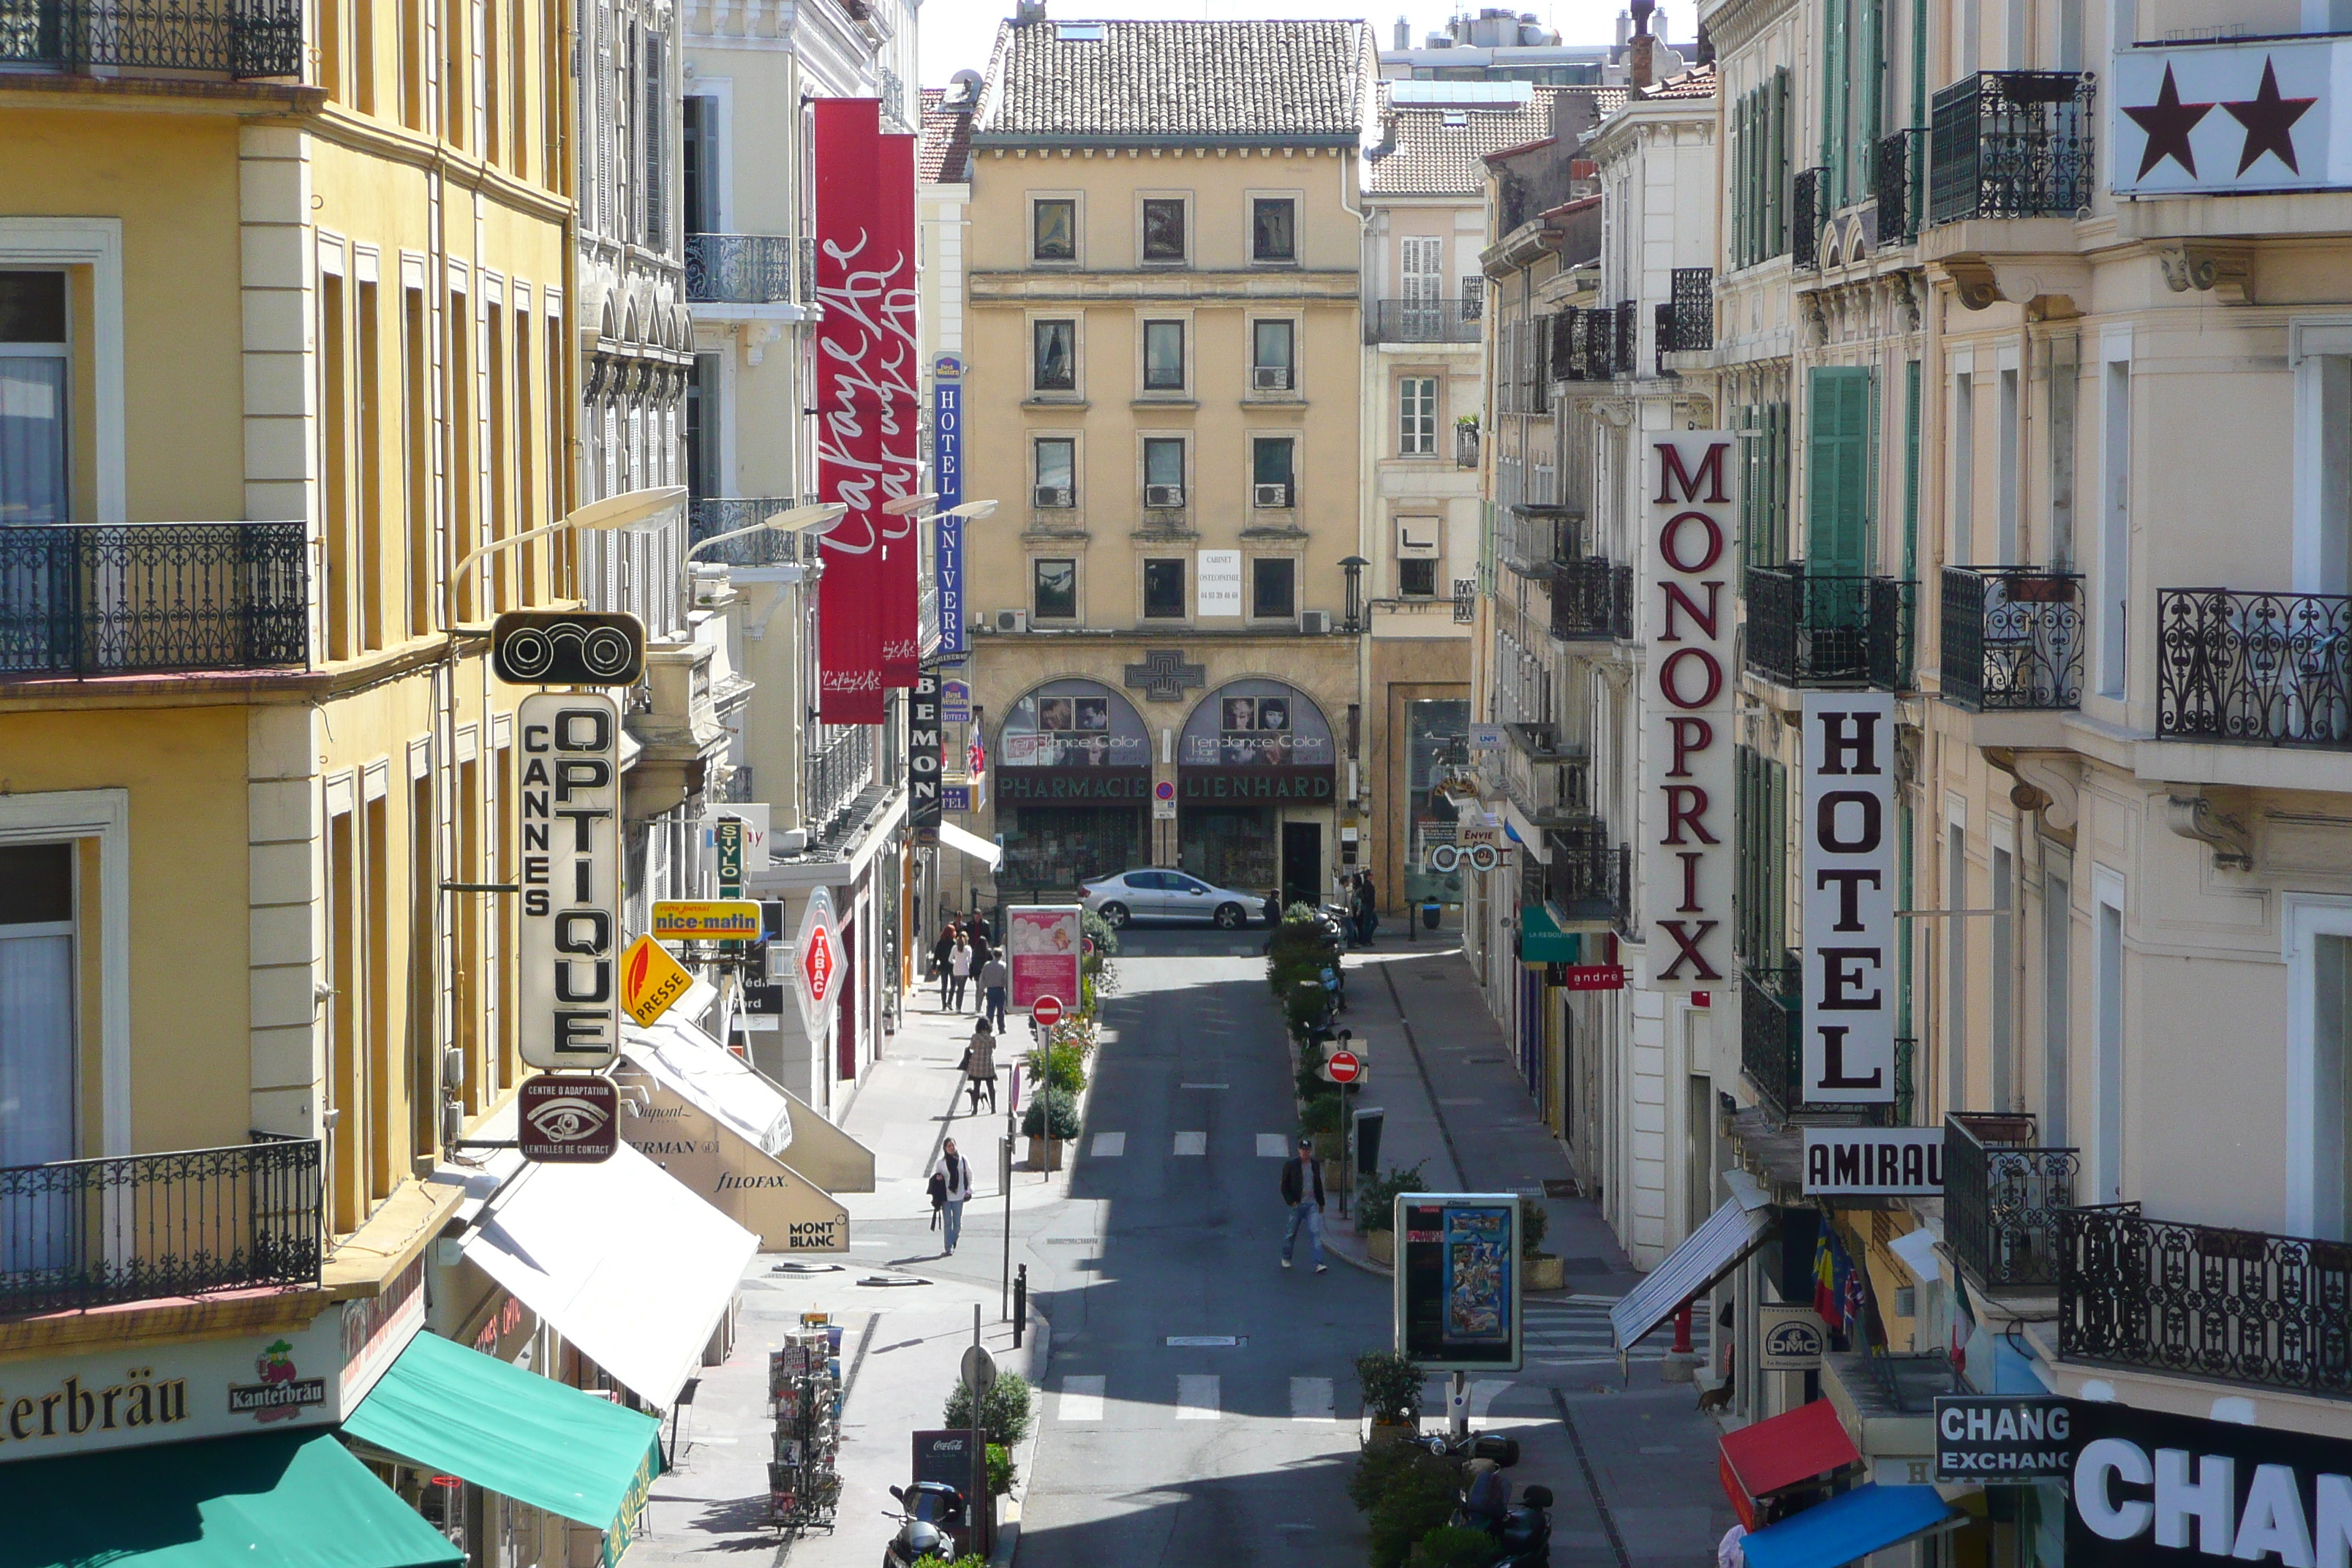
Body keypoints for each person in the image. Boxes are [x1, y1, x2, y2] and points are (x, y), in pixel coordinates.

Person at [1279, 1134, 1327, 1273]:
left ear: (1310, 1151)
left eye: (1307, 1150)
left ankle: (1318, 1263)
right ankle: (1286, 1257)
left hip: (1311, 1204)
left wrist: (1321, 1202)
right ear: (1299, 1151)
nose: (1305, 1153)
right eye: (1303, 1150)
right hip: (1297, 1204)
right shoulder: (1291, 1165)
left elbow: (1317, 1184)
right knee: (1291, 1233)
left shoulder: (1315, 1165)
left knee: (1315, 1232)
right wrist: (1291, 1202)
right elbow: (1284, 1186)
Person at [927, 1139, 973, 1255]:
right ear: (945, 1148)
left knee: (957, 1223)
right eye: (949, 1146)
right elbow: (937, 1176)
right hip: (946, 1197)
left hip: (959, 1195)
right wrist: (938, 1178)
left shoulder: (963, 1160)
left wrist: (969, 1190)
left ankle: (953, 1241)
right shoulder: (941, 1162)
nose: (951, 1148)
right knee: (948, 1222)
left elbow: (969, 1175)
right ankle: (949, 1247)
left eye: (953, 1145)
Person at [965, 1019, 998, 1114]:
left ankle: (975, 1110)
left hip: (977, 1065)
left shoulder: (975, 1037)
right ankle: (993, 1108)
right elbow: (994, 1047)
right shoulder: (992, 1038)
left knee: (976, 1087)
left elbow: (971, 1047)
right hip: (988, 1065)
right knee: (991, 1087)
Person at [979, 949, 1009, 1031]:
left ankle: (988, 1027)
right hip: (1000, 989)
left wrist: (982, 989)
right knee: (1001, 1010)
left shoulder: (987, 965)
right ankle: (1001, 1028)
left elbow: (982, 978)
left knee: (990, 1010)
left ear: (993, 955)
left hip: (990, 989)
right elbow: (1006, 979)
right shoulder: (1004, 966)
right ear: (1001, 955)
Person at [932, 923, 959, 1009]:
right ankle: (949, 1002)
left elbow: (936, 956)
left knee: (944, 986)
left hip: (943, 966)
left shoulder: (940, 942)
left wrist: (934, 967)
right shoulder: (954, 943)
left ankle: (944, 1004)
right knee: (953, 985)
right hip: (952, 966)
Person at [948, 932, 975, 1012]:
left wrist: (955, 961)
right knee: (961, 989)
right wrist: (965, 961)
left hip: (956, 970)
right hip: (964, 970)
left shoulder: (954, 948)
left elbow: (950, 959)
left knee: (956, 987)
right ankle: (958, 1007)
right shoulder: (968, 949)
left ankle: (954, 1004)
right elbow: (970, 961)